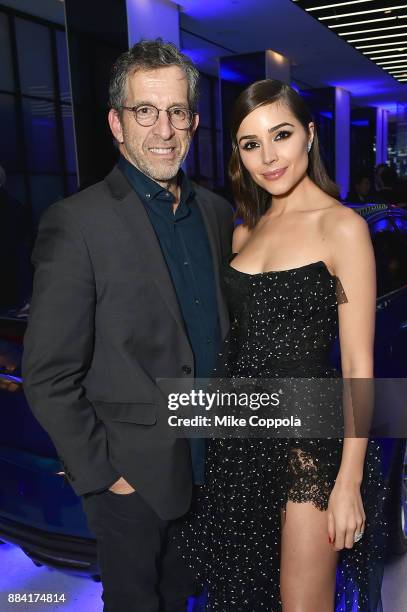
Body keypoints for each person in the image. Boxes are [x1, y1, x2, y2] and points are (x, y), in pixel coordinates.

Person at [22, 39, 233, 612]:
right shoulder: (77, 223)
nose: (163, 129)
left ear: (193, 121)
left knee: (187, 598)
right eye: (146, 111)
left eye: (176, 112)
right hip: (131, 484)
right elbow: (46, 374)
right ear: (117, 123)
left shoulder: (216, 213)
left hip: (210, 466)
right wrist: (107, 476)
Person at [177, 80, 386, 611]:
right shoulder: (246, 232)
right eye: (251, 144)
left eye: (282, 134)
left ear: (310, 136)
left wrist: (349, 482)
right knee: (244, 597)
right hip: (239, 439)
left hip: (308, 446)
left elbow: (360, 366)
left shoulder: (343, 228)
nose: (268, 157)